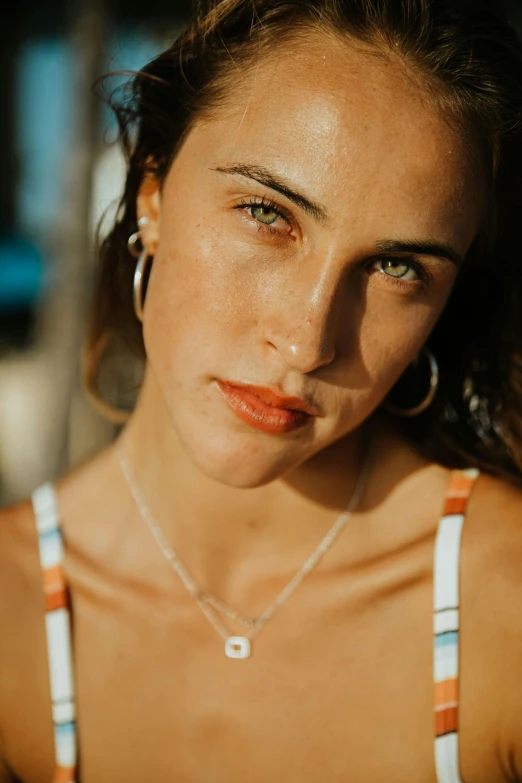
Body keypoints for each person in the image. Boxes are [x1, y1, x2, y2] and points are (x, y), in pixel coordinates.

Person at [1, 0, 522, 780]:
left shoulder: (501, 604)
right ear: (152, 194)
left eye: (397, 267)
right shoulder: (15, 621)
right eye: (266, 213)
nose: (309, 340)